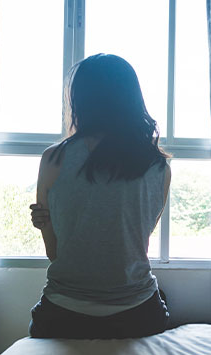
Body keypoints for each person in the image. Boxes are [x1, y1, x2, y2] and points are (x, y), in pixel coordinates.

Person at [28, 53, 171, 339]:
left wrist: (46, 222)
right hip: (137, 314)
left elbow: (55, 254)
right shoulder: (158, 166)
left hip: (64, 314)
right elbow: (133, 243)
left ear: (79, 100)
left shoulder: (53, 159)